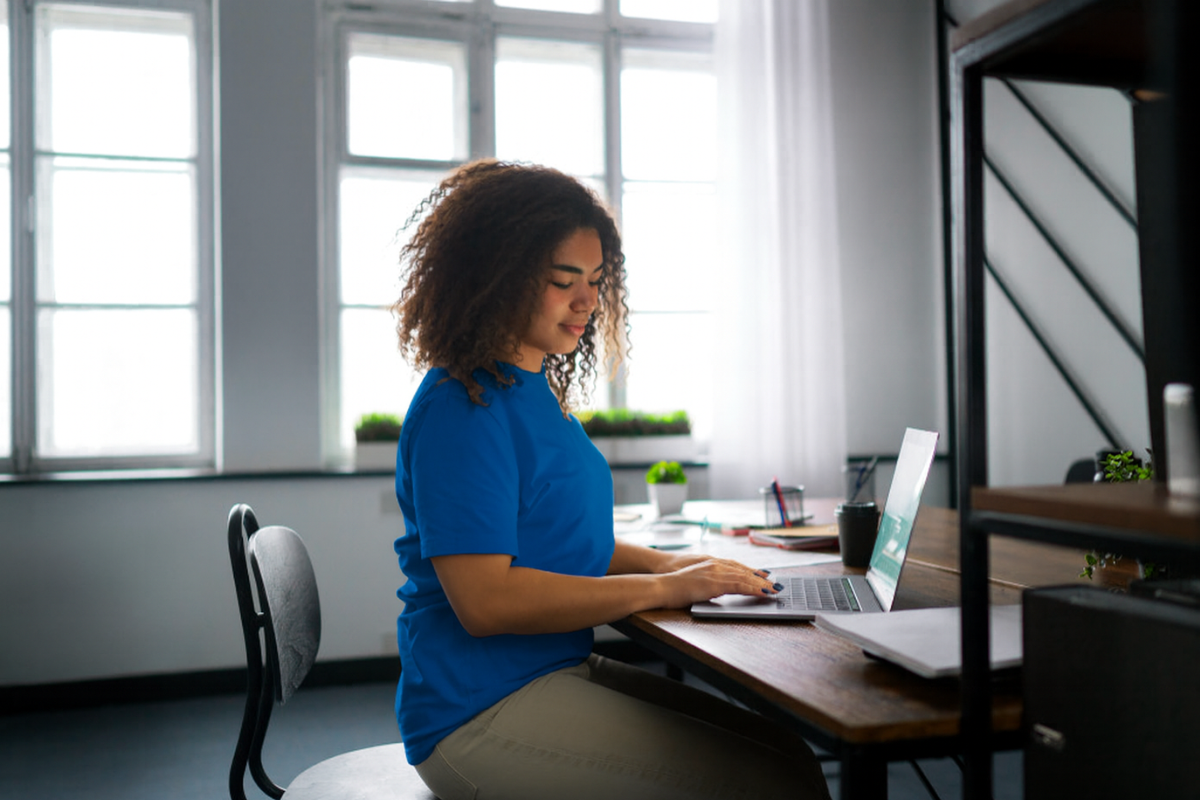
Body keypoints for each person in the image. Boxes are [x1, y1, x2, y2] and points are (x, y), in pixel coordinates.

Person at [390, 159, 831, 800]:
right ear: (497, 279)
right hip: (476, 712)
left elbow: (554, 538)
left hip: (546, 668)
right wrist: (661, 587)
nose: (588, 301)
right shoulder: (465, 409)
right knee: (773, 779)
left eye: (596, 281)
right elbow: (486, 603)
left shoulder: (529, 387)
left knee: (788, 752)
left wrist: (665, 563)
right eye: (564, 281)